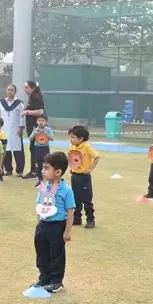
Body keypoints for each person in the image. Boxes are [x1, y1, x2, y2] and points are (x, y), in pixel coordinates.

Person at [32, 151, 76, 293]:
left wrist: (67, 231)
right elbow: (39, 205)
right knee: (41, 253)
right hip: (43, 225)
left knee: (56, 255)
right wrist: (38, 224)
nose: (42, 171)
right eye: (43, 167)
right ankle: (44, 277)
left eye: (46, 168)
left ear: (58, 172)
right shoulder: (43, 187)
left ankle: (56, 281)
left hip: (57, 226)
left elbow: (70, 211)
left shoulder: (66, 190)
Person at [67, 125, 100, 228]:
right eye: (70, 137)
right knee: (75, 198)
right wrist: (72, 167)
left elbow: (97, 157)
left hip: (84, 177)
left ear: (81, 138)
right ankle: (77, 218)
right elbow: (71, 158)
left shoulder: (87, 147)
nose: (71, 139)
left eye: (73, 137)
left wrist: (90, 169)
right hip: (74, 175)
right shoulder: (72, 146)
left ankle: (90, 220)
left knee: (86, 199)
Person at [0, 84, 26, 177]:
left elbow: (22, 116)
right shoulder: (2, 103)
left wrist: (21, 127)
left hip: (16, 129)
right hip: (4, 130)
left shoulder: (19, 103)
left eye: (12, 90)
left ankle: (19, 170)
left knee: (18, 150)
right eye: (8, 90)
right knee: (6, 149)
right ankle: (8, 169)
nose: (10, 91)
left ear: (15, 92)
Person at [22, 81, 46, 178]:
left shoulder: (36, 97)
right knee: (33, 148)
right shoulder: (31, 97)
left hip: (35, 127)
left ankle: (35, 171)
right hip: (31, 126)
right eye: (24, 87)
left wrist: (27, 112)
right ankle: (35, 170)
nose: (25, 89)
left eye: (27, 87)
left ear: (32, 88)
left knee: (36, 149)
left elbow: (40, 112)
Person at [29, 115, 53, 182]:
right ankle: (40, 179)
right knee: (38, 164)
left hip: (45, 148)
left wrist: (46, 134)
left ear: (46, 122)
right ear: (37, 121)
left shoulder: (48, 129)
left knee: (46, 163)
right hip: (37, 148)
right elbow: (30, 138)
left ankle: (47, 179)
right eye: (39, 120)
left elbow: (52, 139)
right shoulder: (36, 129)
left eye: (43, 120)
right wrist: (34, 134)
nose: (41, 122)